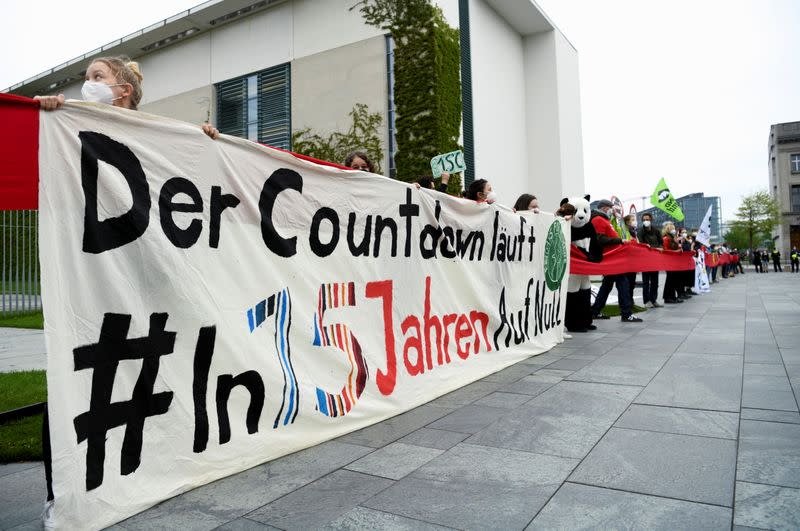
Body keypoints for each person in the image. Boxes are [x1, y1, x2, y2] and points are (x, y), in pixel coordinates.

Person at [35, 56, 220, 139]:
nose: (88, 84)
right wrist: (46, 113)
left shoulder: (153, 131)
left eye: (97, 77)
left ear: (124, 90)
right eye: (87, 79)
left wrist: (203, 138)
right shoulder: (77, 122)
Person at [590, 199, 642, 323]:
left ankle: (595, 311)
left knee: (607, 285)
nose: (613, 211)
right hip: (611, 258)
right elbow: (599, 239)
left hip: (612, 257)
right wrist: (619, 241)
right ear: (604, 208)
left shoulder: (604, 220)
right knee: (623, 283)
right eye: (611, 208)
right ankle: (626, 313)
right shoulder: (598, 220)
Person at [637, 212, 663, 308]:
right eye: (644, 220)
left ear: (651, 220)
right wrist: (653, 248)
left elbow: (661, 242)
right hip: (645, 260)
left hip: (655, 259)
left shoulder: (656, 231)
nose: (645, 221)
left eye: (647, 219)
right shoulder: (640, 231)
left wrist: (659, 248)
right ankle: (646, 301)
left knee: (655, 281)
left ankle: (654, 299)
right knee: (646, 282)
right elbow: (641, 244)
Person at [662, 222, 683, 304]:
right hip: (669, 261)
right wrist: (676, 251)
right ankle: (668, 297)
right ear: (668, 230)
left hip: (673, 261)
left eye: (674, 228)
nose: (674, 230)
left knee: (673, 279)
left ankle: (672, 297)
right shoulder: (666, 238)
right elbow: (665, 250)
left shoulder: (673, 238)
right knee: (670, 279)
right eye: (672, 229)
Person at [623, 214, 639, 304]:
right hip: (627, 260)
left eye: (634, 219)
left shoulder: (634, 232)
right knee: (627, 282)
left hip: (633, 261)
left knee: (632, 282)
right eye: (632, 219)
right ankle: (627, 300)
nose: (634, 221)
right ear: (627, 222)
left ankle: (631, 299)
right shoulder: (625, 231)